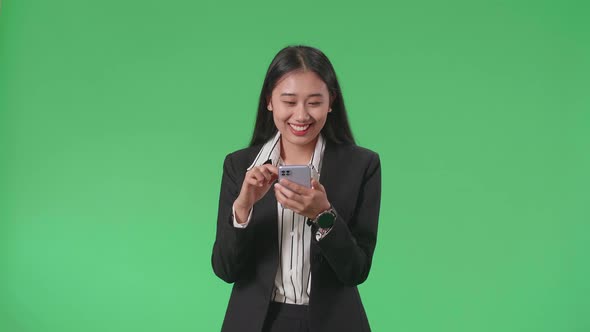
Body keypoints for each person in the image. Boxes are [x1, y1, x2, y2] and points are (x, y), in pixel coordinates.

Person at [211, 45, 382, 332]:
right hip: (256, 323)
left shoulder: (362, 165)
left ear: (331, 102)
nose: (301, 115)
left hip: (334, 323)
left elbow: (356, 270)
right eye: (289, 101)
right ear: (270, 101)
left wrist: (323, 214)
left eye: (314, 102)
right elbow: (226, 270)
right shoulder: (240, 165)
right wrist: (243, 207)